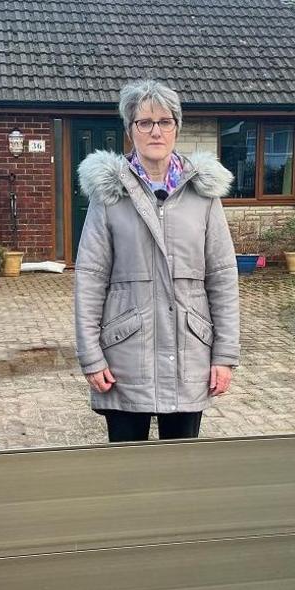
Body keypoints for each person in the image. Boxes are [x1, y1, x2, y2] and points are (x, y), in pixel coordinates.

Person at [74, 79, 240, 443]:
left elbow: (223, 277)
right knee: (127, 469)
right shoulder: (109, 195)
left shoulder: (203, 195)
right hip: (124, 353)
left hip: (189, 351)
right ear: (129, 130)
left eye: (164, 121)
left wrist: (224, 355)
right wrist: (91, 356)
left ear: (176, 127)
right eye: (144, 122)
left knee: (179, 471)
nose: (155, 131)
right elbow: (90, 277)